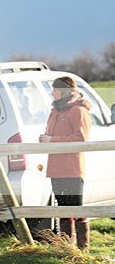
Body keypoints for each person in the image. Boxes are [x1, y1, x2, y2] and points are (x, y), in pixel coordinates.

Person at [39, 77, 92, 251]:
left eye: (55, 89)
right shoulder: (55, 111)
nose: (52, 92)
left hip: (72, 168)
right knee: (62, 208)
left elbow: (81, 138)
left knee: (76, 208)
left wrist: (52, 140)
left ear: (65, 91)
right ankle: (66, 248)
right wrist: (46, 139)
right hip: (55, 167)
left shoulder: (78, 110)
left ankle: (82, 249)